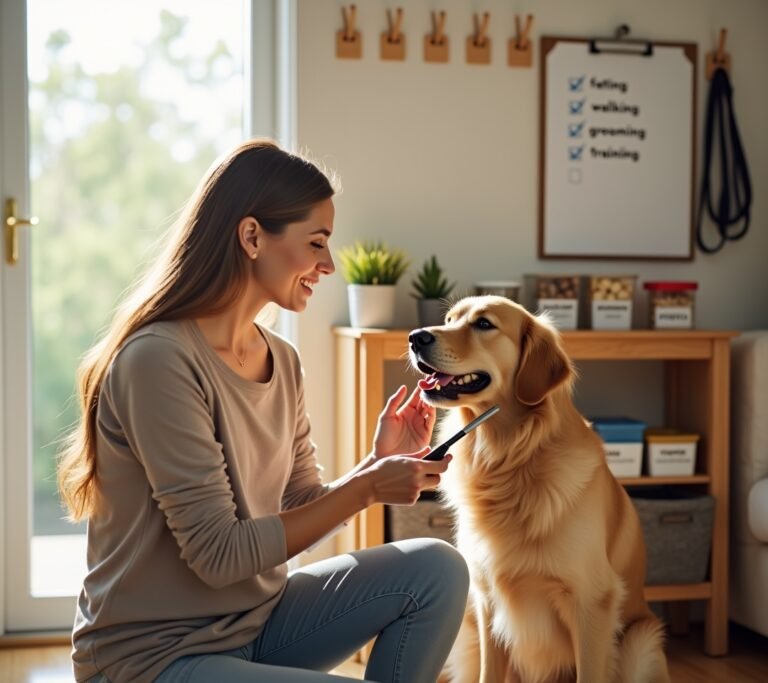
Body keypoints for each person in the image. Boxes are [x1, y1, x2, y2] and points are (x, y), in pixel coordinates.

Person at [57, 139, 469, 683]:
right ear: (252, 236)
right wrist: (368, 488)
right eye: (316, 242)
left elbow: (298, 503)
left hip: (257, 626)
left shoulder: (282, 359)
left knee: (435, 568)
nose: (329, 263)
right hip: (153, 658)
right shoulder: (158, 360)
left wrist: (376, 464)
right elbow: (219, 555)